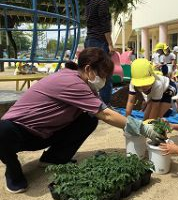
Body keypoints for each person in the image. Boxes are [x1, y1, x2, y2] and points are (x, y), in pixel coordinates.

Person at [0, 48, 165, 194]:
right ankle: (13, 171)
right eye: (103, 76)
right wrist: (144, 128)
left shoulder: (84, 84)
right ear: (88, 69)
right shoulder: (72, 82)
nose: (105, 81)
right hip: (18, 132)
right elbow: (106, 115)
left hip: (44, 132)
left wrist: (129, 124)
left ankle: (54, 158)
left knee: (88, 119)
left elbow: (104, 110)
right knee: (3, 131)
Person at [84, 0, 114, 106]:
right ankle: (105, 104)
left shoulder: (89, 3)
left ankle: (88, 101)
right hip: (99, 41)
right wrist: (110, 44)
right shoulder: (102, 2)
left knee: (89, 73)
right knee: (105, 73)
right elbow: (104, 24)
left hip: (89, 39)